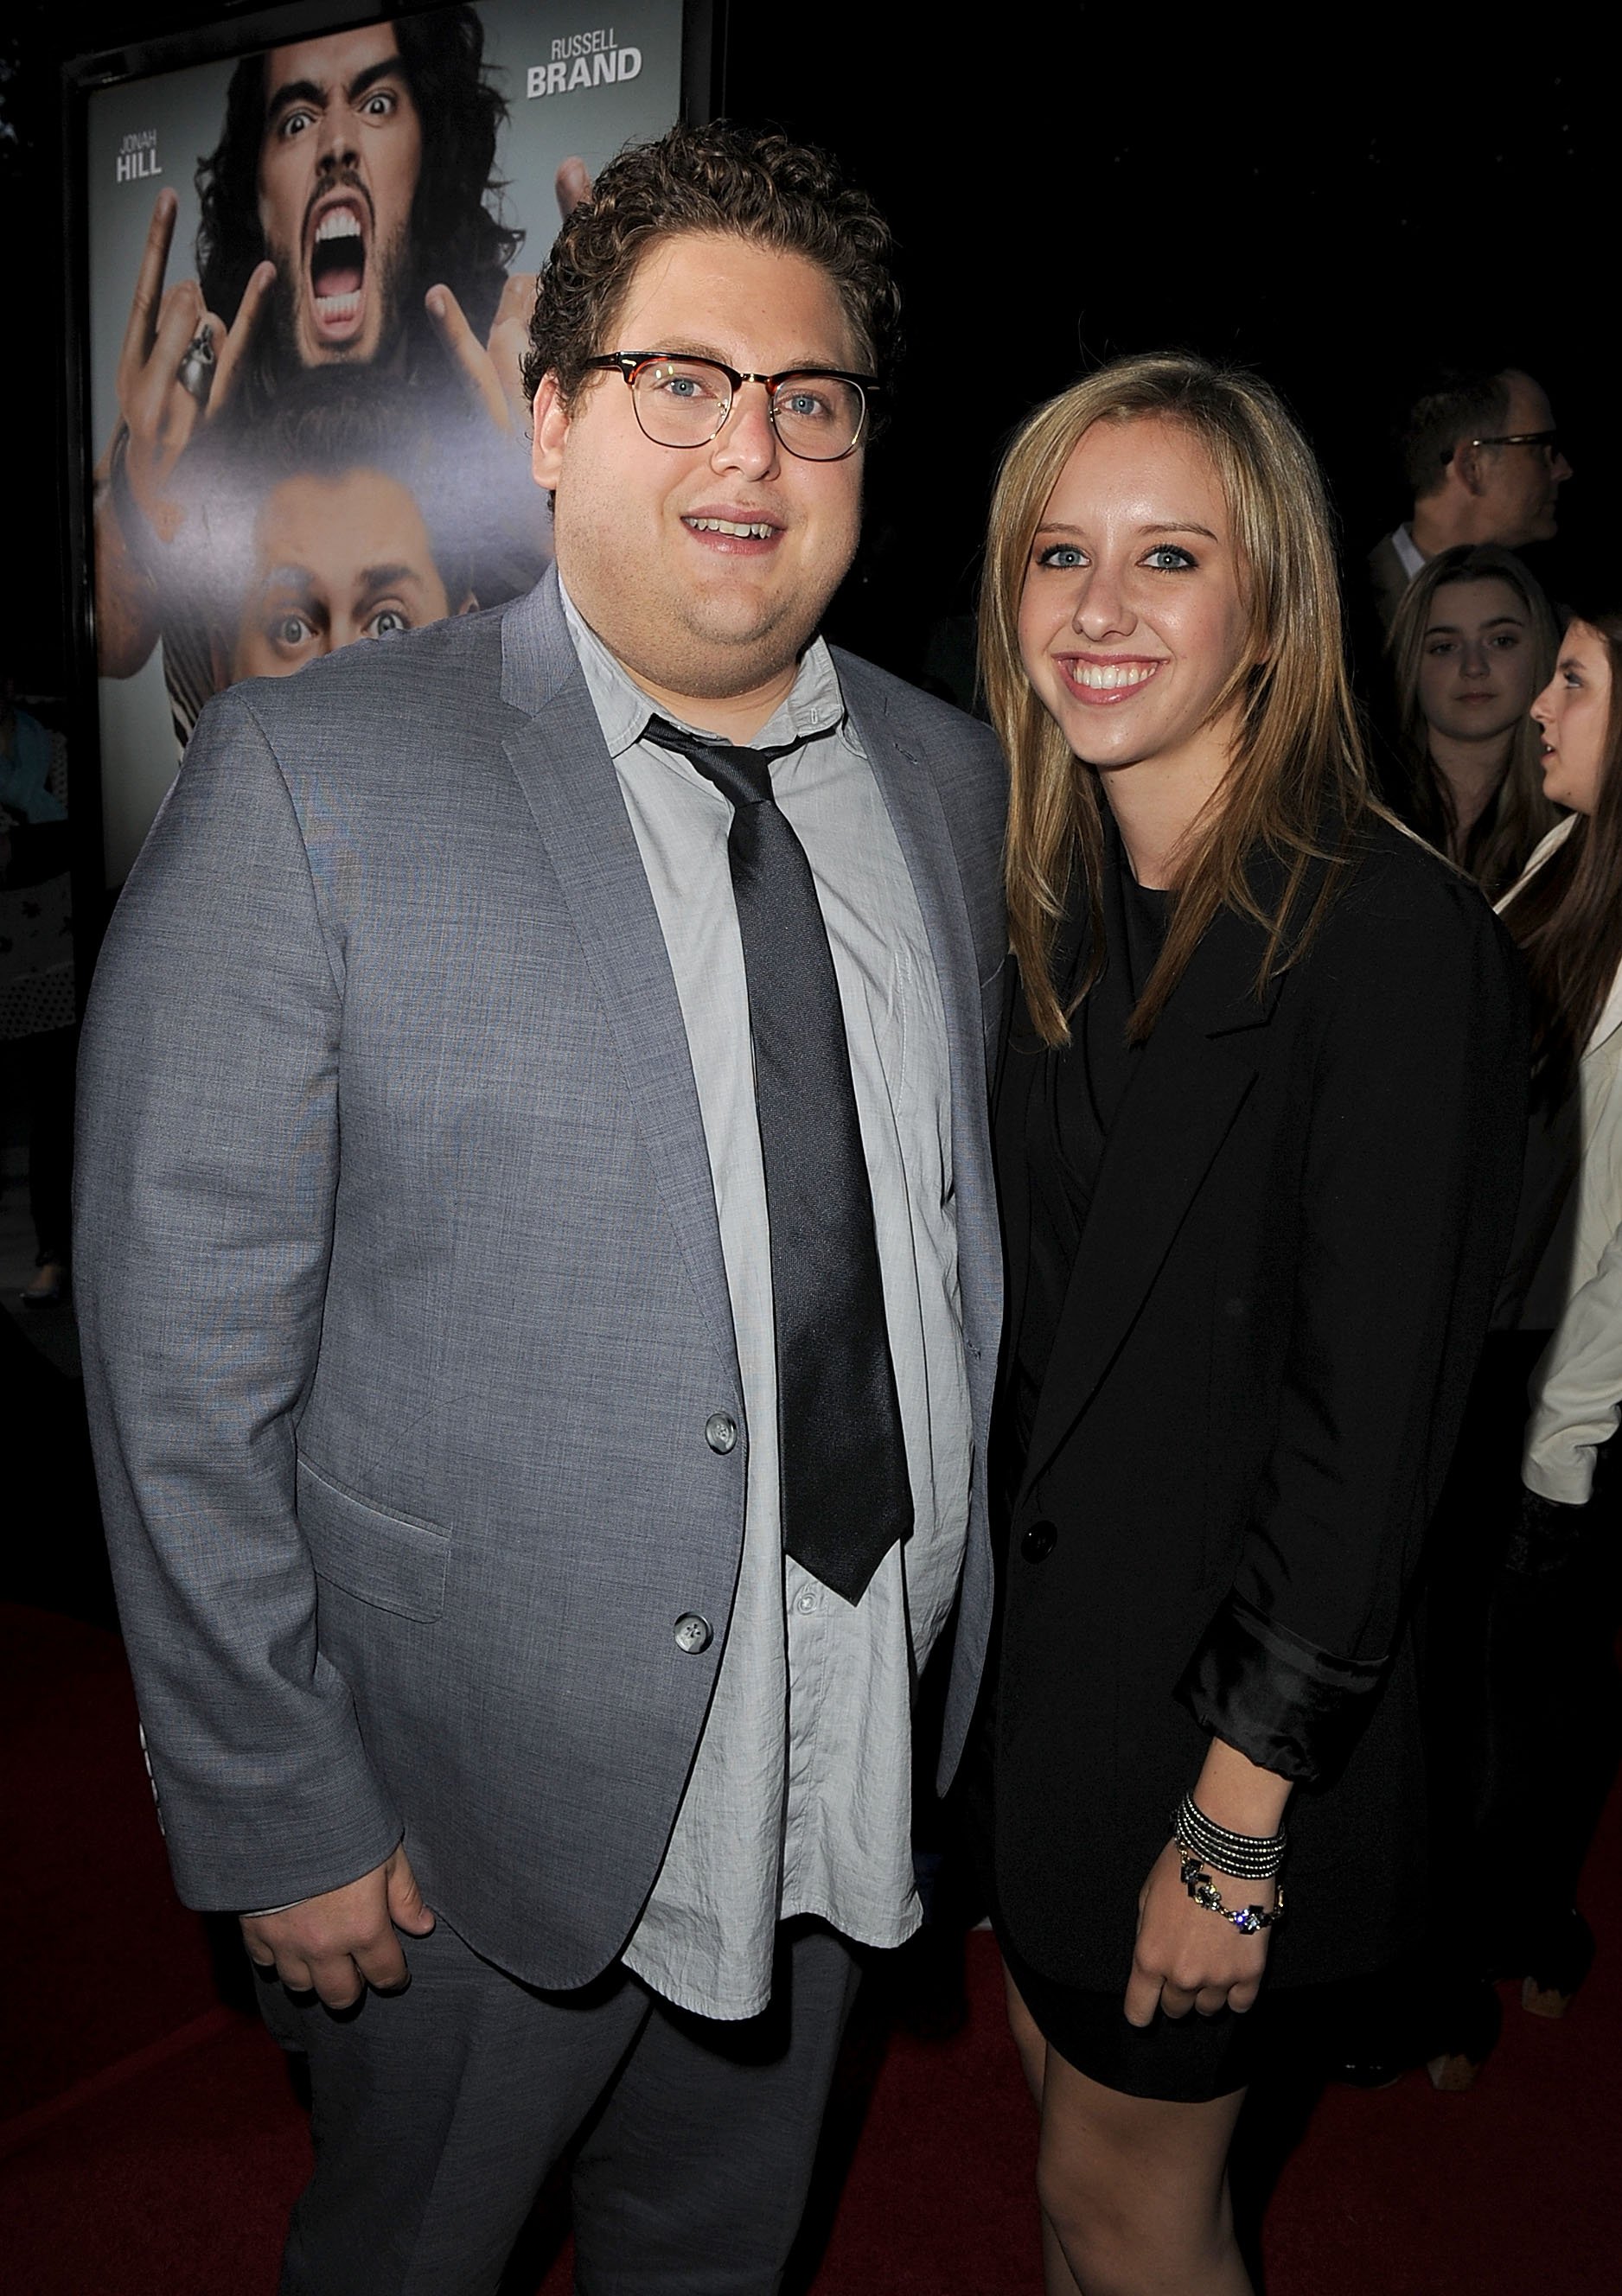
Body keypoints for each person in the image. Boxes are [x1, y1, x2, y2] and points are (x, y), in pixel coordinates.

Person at [74, 121, 1007, 2295]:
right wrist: (275, 1798)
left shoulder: (952, 784)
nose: (750, 448)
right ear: (558, 418)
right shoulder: (315, 780)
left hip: (841, 1745)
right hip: (460, 1818)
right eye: (682, 380)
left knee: (720, 2256)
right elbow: (178, 1345)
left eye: (810, 395)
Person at [967, 354, 1526, 2295]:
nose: (1097, 610)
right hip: (1048, 1702)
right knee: (1066, 2167)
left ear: (1271, 606)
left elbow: (1366, 1441)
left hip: (1219, 1742)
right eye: (1058, 553)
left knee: (1123, 2209)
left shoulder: (1385, 942)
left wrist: (1233, 1824)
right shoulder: (1049, 903)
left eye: (1167, 556)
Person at [93, 10, 560, 739]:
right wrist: (135, 502)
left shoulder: (515, 399)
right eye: (297, 119)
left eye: (377, 105)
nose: (337, 144)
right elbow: (111, 646)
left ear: (426, 162)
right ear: (259, 195)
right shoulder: (193, 410)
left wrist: (579, 506)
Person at [1384, 541, 1560, 896]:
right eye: (1444, 647)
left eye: (1501, 641)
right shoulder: (1365, 813)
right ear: (1410, 663)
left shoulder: (1574, 828)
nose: (1474, 667)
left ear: (1540, 650)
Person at [1364, 367, 1571, 633]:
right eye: (1541, 449)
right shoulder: (1343, 608)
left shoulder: (1560, 623)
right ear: (1472, 467)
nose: (1563, 470)